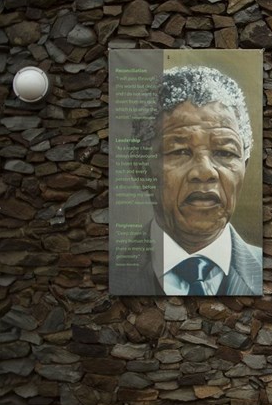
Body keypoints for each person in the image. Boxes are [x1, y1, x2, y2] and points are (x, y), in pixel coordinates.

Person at [112, 66, 262, 296]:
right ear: (141, 169)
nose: (205, 172)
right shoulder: (112, 273)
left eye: (224, 153)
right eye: (180, 151)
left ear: (245, 165)